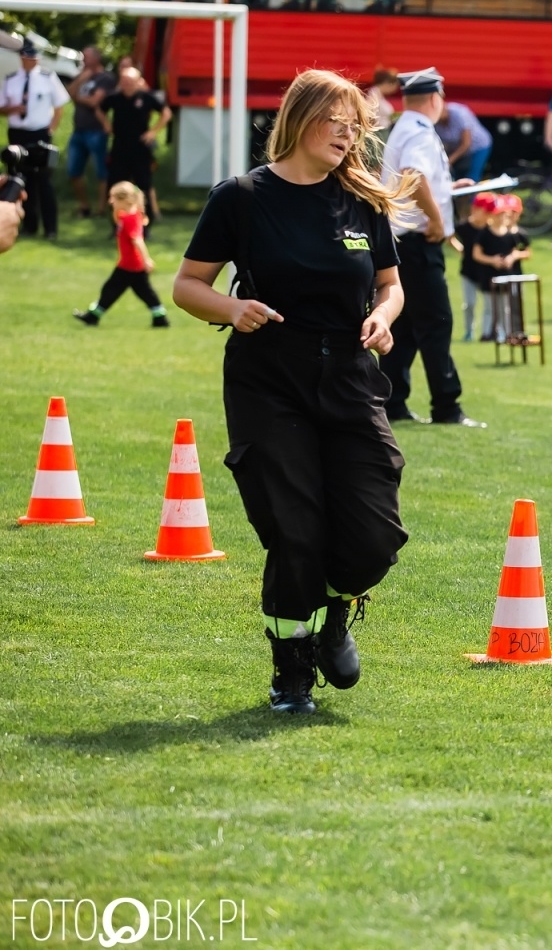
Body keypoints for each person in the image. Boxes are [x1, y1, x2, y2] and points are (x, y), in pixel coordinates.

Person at [170, 68, 414, 715]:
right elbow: (187, 285)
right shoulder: (241, 198)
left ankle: (336, 614)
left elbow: (391, 286)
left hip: (351, 379)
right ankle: (291, 675)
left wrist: (382, 318)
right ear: (302, 118)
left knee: (373, 536)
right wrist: (231, 308)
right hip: (267, 379)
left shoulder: (364, 200)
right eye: (339, 120)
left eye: (356, 124)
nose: (349, 133)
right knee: (295, 530)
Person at [378, 67, 484, 427]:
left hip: (400, 243)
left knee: (405, 326)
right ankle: (447, 407)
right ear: (435, 99)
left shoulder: (404, 128)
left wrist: (448, 192)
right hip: (418, 243)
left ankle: (391, 401)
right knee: (437, 323)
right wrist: (438, 222)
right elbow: (414, 176)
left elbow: (414, 179)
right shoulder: (421, 132)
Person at [72, 181, 168, 328]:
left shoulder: (130, 219)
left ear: (125, 200)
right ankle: (160, 317)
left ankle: (93, 316)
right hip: (129, 264)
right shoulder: (128, 215)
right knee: (143, 292)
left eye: (113, 198)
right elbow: (118, 218)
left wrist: (146, 259)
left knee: (112, 289)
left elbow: (137, 240)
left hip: (131, 265)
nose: (110, 201)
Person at [2, 43, 69, 239]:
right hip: (18, 133)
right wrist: (13, 109)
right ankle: (27, 225)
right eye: (27, 58)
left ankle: (51, 229)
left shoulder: (48, 78)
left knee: (43, 181)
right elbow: (2, 107)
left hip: (39, 134)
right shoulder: (11, 79)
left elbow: (59, 106)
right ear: (22, 58)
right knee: (20, 179)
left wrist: (51, 129)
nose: (31, 61)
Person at [96, 67, 171, 235]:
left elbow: (166, 113)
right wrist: (106, 125)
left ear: (138, 81)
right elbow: (99, 109)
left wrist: (153, 131)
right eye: (124, 82)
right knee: (115, 188)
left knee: (143, 187)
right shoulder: (115, 98)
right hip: (119, 149)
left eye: (130, 81)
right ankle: (116, 226)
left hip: (140, 150)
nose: (127, 85)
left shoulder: (147, 98)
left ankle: (145, 227)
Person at [66, 46, 118, 219]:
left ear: (96, 58)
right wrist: (81, 81)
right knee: (74, 171)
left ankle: (101, 208)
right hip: (78, 131)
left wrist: (78, 97)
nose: (83, 60)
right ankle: (85, 206)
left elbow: (95, 102)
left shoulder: (106, 79)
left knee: (102, 172)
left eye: (86, 57)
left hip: (97, 131)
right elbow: (68, 93)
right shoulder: (83, 76)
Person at [475, 194, 530, 341]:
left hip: (512, 276)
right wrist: (492, 260)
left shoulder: (516, 235)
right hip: (490, 276)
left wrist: (514, 256)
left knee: (511, 307)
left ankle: (511, 333)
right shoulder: (485, 233)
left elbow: (525, 251)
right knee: (491, 307)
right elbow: (477, 253)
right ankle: (489, 333)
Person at [457, 192, 498, 342]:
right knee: (470, 303)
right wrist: (460, 249)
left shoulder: (491, 229)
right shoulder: (464, 227)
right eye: (486, 211)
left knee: (489, 305)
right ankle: (469, 331)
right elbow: (448, 236)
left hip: (486, 273)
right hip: (468, 271)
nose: (488, 215)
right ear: (475, 209)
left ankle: (487, 332)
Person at [435, 97, 493, 182]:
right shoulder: (435, 122)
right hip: (458, 149)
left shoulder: (459, 114)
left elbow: (466, 144)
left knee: (471, 177)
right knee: (458, 177)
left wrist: (449, 161)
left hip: (478, 147)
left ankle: (472, 195)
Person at [367, 68, 399, 132]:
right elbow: (369, 115)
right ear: (389, 84)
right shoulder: (374, 95)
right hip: (378, 132)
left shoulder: (379, 95)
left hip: (383, 130)